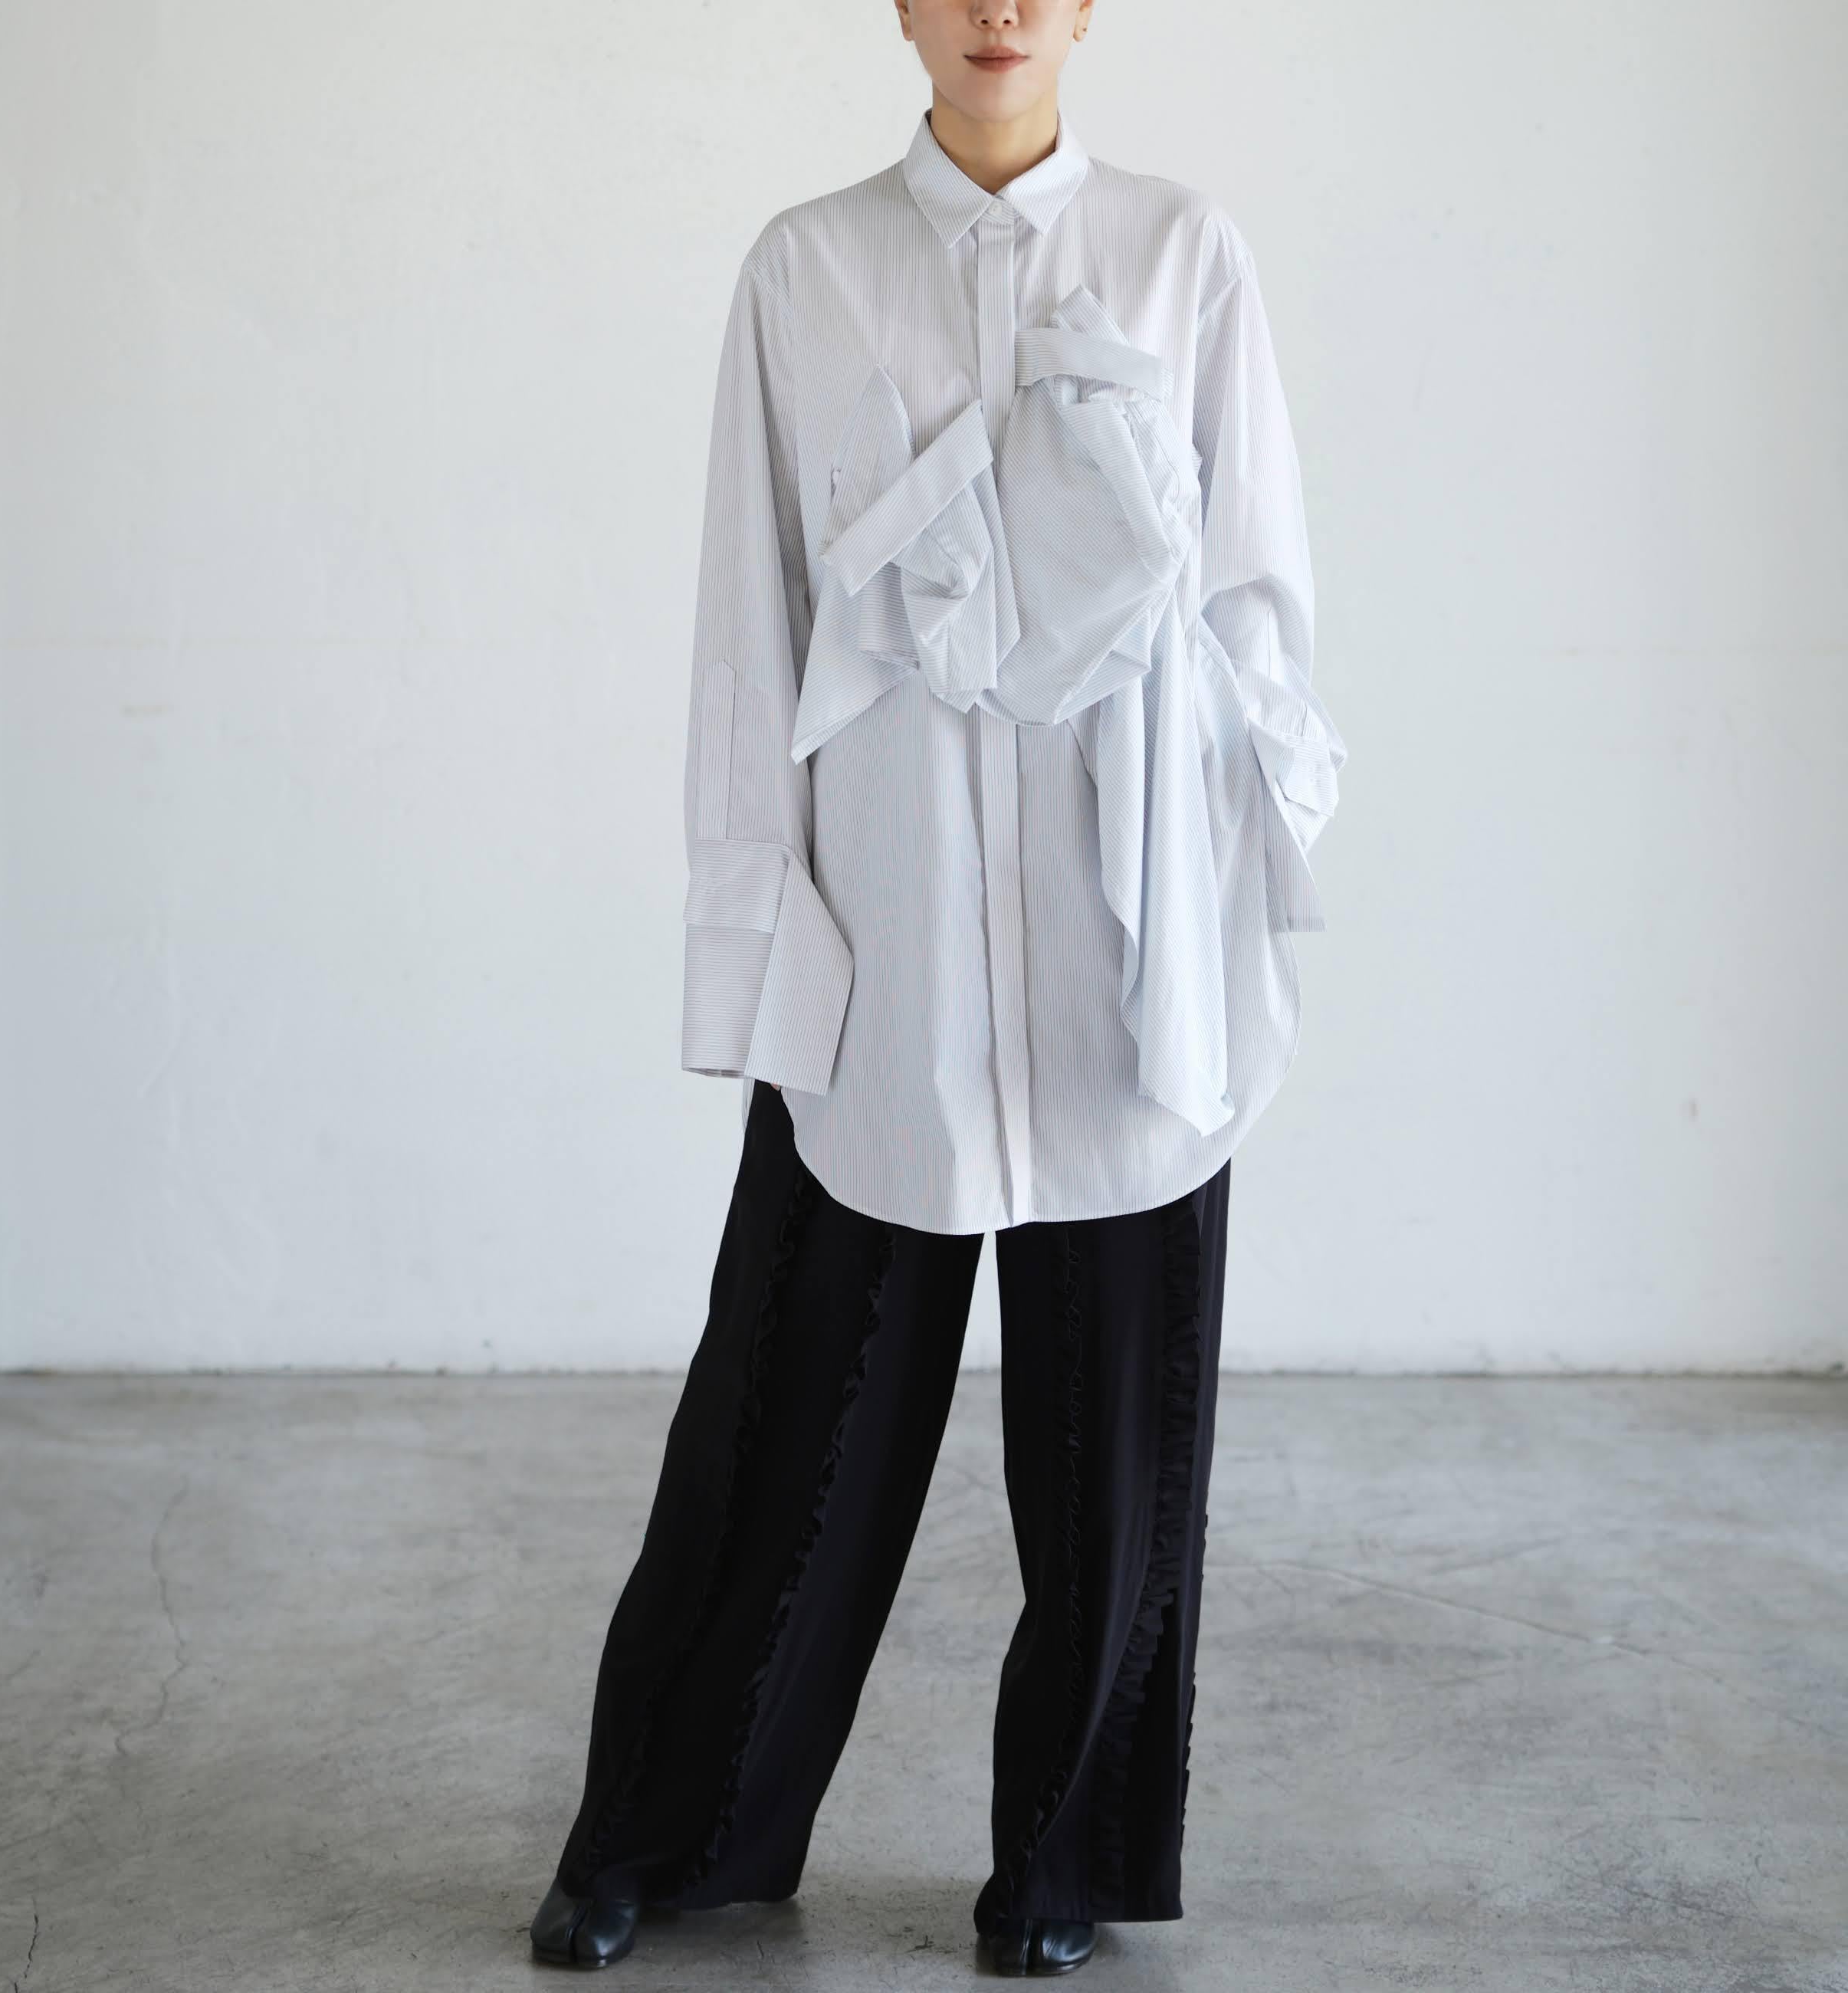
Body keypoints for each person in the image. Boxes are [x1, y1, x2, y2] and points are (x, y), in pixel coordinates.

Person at [530, 0, 1345, 1975]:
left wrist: (1231, 891)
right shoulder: (804, 270)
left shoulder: (1181, 253)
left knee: (1118, 1447)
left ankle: (1063, 1868)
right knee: (782, 1421)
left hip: (1126, 946)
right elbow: (752, 626)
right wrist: (763, 934)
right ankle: (670, 1833)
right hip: (887, 938)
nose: (1000, 10)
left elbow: (1261, 604)